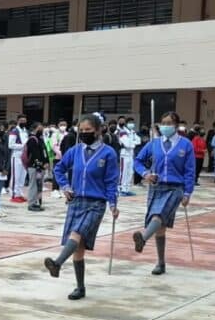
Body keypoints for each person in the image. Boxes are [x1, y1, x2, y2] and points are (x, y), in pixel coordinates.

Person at [44, 114, 120, 300]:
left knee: (76, 234)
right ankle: (80, 287)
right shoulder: (75, 151)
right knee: (78, 247)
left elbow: (111, 181)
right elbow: (59, 169)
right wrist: (65, 186)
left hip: (96, 203)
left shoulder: (108, 153)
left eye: (88, 130)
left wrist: (113, 203)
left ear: (98, 130)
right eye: (82, 130)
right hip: (76, 201)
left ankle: (58, 263)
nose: (84, 133)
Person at [133, 111, 196, 276]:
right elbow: (137, 161)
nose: (165, 126)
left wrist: (188, 192)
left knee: (158, 215)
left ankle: (143, 237)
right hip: (156, 186)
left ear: (176, 125)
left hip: (175, 187)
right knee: (160, 227)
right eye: (163, 123)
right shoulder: (153, 144)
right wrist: (146, 174)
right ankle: (160, 262)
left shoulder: (185, 145)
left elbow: (190, 170)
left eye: (169, 123)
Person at [24, 122, 49, 212]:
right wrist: (41, 164)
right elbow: (34, 154)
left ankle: (37, 202)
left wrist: (46, 162)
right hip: (34, 166)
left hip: (40, 167)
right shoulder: (32, 139)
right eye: (39, 128)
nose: (41, 130)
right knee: (33, 185)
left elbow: (44, 151)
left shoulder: (40, 139)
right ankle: (31, 203)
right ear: (34, 129)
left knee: (39, 185)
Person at [7, 114, 29, 203]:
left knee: (22, 177)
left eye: (24, 121)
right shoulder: (14, 131)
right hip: (16, 156)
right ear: (18, 121)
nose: (23, 122)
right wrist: (23, 146)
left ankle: (19, 194)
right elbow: (10, 145)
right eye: (21, 121)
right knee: (15, 176)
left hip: (25, 157)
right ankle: (14, 195)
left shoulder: (25, 131)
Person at [117, 117, 141, 196]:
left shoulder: (133, 132)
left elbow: (139, 141)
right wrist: (133, 143)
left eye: (132, 122)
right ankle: (120, 189)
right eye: (130, 122)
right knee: (123, 172)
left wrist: (132, 143)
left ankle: (127, 189)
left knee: (130, 172)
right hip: (124, 154)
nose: (131, 124)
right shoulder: (123, 132)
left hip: (131, 154)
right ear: (126, 124)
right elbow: (126, 144)